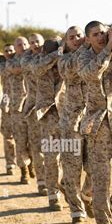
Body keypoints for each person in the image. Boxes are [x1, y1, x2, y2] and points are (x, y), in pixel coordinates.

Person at [77, 20, 112, 224]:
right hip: (97, 127)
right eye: (96, 34)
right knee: (101, 180)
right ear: (87, 38)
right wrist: (108, 47)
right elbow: (94, 73)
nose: (101, 37)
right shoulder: (83, 58)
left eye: (104, 33)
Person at [57, 26, 94, 224]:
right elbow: (70, 69)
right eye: (72, 38)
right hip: (70, 123)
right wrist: (86, 46)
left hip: (92, 120)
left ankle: (87, 194)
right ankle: (76, 212)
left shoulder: (92, 55)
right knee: (72, 171)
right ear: (66, 42)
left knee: (94, 168)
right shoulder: (64, 60)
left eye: (80, 35)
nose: (77, 39)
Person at [31, 36, 65, 211]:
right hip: (48, 115)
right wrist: (55, 54)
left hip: (68, 115)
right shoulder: (37, 61)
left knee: (70, 157)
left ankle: (67, 187)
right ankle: (53, 195)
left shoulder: (67, 58)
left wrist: (63, 53)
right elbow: (37, 70)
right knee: (51, 158)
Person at [20, 34, 48, 195]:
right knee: (38, 148)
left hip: (53, 110)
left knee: (54, 149)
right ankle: (42, 181)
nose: (35, 45)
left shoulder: (52, 54)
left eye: (38, 41)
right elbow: (39, 66)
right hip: (33, 110)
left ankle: (55, 182)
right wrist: (56, 52)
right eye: (32, 43)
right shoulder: (26, 59)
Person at [5, 37, 32, 184]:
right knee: (20, 141)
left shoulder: (35, 58)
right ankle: (24, 170)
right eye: (19, 45)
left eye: (25, 44)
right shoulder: (10, 62)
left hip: (33, 107)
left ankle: (32, 162)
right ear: (15, 48)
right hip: (17, 108)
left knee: (34, 141)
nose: (23, 47)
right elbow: (18, 69)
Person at [0, 45, 17, 175]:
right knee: (8, 135)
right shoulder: (3, 66)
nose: (9, 53)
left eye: (11, 50)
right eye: (6, 51)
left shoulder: (23, 60)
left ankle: (28, 163)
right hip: (6, 100)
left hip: (23, 103)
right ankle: (10, 163)